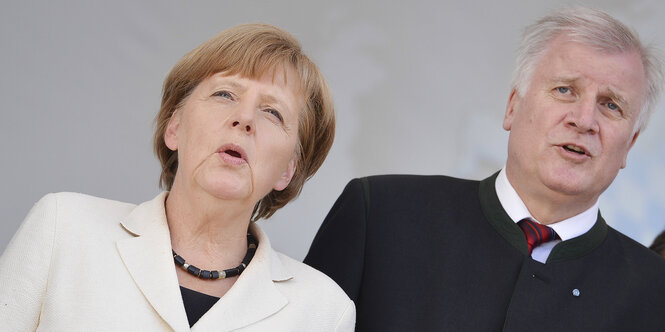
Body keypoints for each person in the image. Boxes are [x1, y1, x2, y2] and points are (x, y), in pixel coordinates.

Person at [305, 7, 665, 331]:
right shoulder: (379, 215)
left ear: (629, 146)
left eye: (611, 106)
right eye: (564, 89)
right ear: (512, 107)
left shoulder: (655, 294)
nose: (585, 120)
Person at [0, 24, 354, 331]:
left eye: (273, 113)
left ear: (289, 170)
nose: (244, 117)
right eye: (224, 94)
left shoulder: (324, 311)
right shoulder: (62, 229)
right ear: (175, 127)